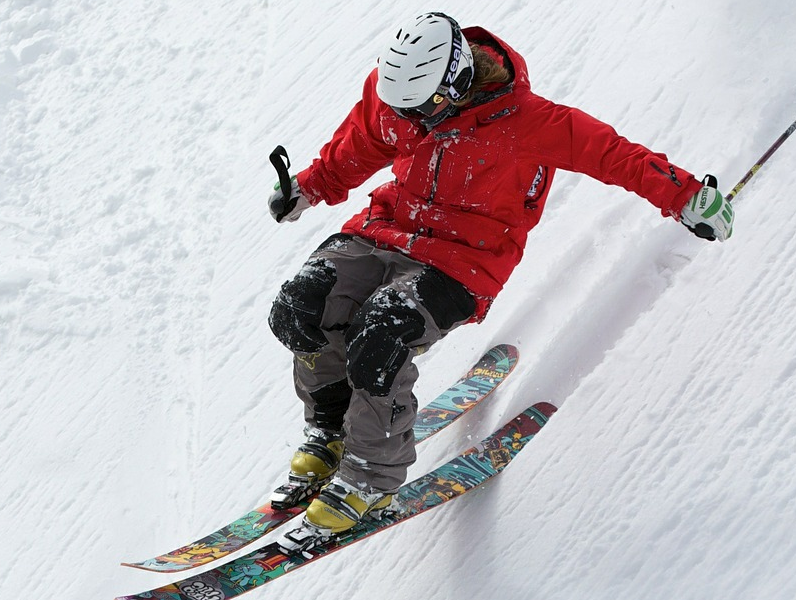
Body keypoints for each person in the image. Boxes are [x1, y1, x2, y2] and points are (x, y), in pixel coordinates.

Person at [266, 12, 734, 536]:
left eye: (423, 108)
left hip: (463, 260)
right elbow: (366, 140)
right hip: (386, 228)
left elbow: (615, 156)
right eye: (404, 108)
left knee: (380, 336)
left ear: (457, 80)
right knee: (300, 306)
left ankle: (371, 476)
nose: (413, 120)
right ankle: (331, 427)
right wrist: (310, 186)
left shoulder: (531, 122)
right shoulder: (399, 92)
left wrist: (687, 195)